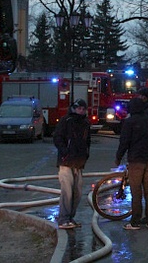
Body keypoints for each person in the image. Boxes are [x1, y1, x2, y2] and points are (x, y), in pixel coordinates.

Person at [115, 97, 148, 230]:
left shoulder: (129, 122)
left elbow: (124, 142)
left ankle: (135, 221)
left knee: (136, 192)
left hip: (136, 160)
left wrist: (118, 157)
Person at [53, 98, 91, 230]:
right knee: (67, 192)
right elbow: (57, 138)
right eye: (79, 108)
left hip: (78, 162)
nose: (81, 111)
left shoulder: (85, 123)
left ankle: (70, 217)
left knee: (77, 192)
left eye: (83, 109)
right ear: (74, 108)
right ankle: (64, 219)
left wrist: (85, 154)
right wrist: (65, 152)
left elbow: (87, 141)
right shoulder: (66, 121)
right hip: (67, 161)